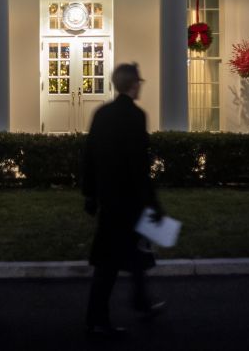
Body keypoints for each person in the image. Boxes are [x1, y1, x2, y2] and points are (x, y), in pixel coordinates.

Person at [81, 62, 166, 338]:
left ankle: (141, 304)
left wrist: (90, 194)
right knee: (112, 263)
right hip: (130, 201)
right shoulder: (136, 116)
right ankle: (97, 318)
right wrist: (153, 203)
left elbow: (89, 156)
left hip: (109, 198)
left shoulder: (102, 113)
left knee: (133, 255)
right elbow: (138, 165)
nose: (140, 86)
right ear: (133, 84)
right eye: (139, 82)